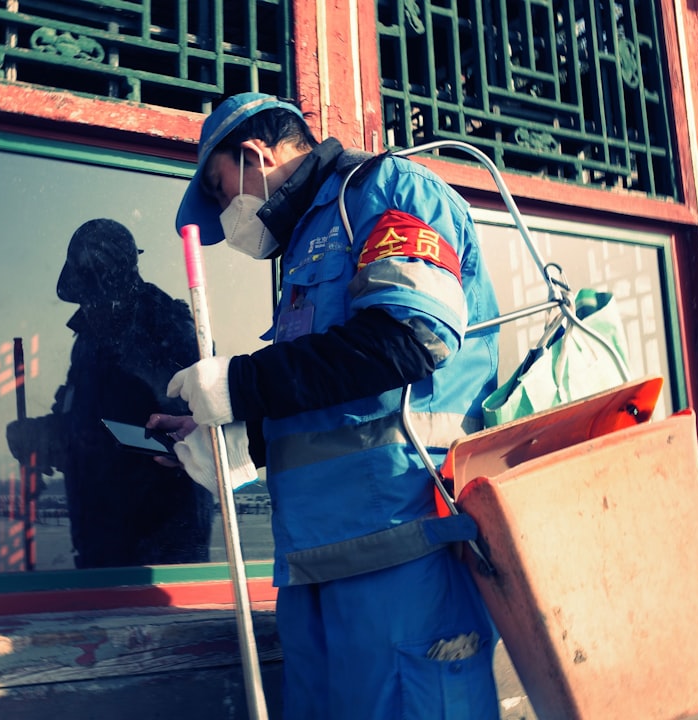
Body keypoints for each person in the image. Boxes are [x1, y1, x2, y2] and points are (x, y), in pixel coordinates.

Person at [148, 93, 502, 718]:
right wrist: (233, 435)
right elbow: (325, 399)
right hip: (310, 562)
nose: (227, 210)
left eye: (220, 184)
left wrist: (242, 383)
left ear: (255, 155)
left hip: (402, 548)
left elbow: (409, 337)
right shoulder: (304, 245)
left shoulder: (385, 192)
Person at [6, 218, 214, 569]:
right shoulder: (90, 339)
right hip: (100, 543)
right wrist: (39, 438)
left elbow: (180, 438)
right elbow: (86, 419)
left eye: (92, 294)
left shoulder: (165, 329)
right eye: (83, 297)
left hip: (158, 555)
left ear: (120, 279)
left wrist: (59, 437)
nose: (87, 306)